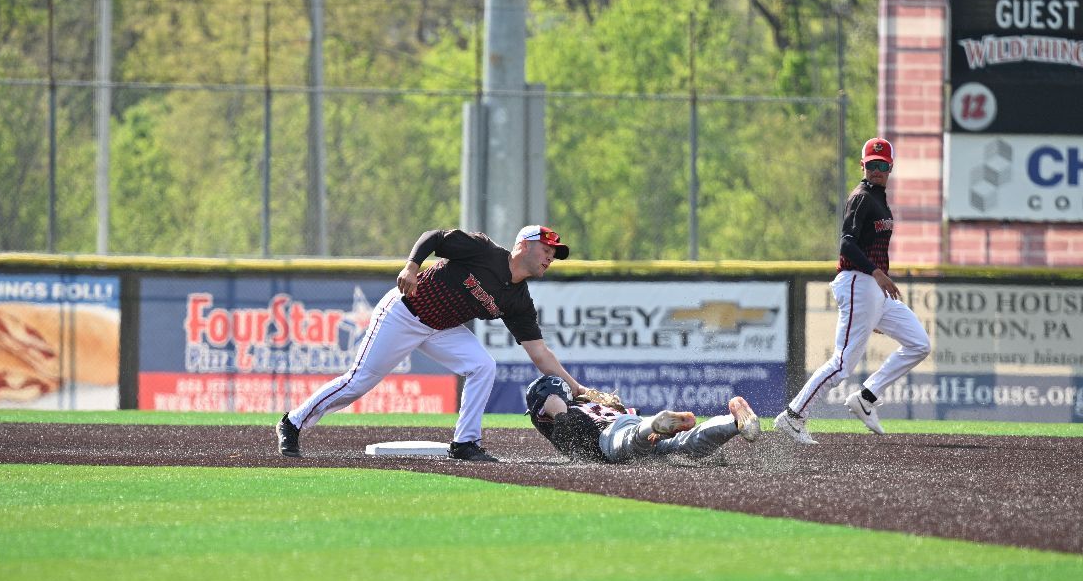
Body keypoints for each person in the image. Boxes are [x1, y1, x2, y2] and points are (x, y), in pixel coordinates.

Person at [275, 225, 587, 462]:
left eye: (554, 254)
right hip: (404, 312)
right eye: (547, 249)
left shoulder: (518, 300)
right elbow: (435, 237)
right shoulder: (484, 251)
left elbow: (539, 352)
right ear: (524, 244)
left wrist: (575, 387)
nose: (550, 257)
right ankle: (293, 422)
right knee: (357, 383)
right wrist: (411, 266)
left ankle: (465, 443)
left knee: (483, 366)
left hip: (441, 328)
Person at [774, 137, 930, 445]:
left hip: (873, 289)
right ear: (863, 166)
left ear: (890, 168)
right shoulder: (862, 197)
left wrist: (874, 300)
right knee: (842, 363)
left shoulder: (879, 199)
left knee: (918, 343)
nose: (877, 170)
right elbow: (846, 242)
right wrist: (877, 275)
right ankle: (793, 417)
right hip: (861, 281)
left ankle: (867, 397)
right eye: (872, 165)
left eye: (882, 165)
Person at [525, 374, 761, 464]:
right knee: (684, 444)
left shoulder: (568, 416)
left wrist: (556, 408)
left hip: (615, 434)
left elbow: (573, 436)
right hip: (630, 422)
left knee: (628, 443)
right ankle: (734, 424)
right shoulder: (590, 402)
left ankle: (656, 424)